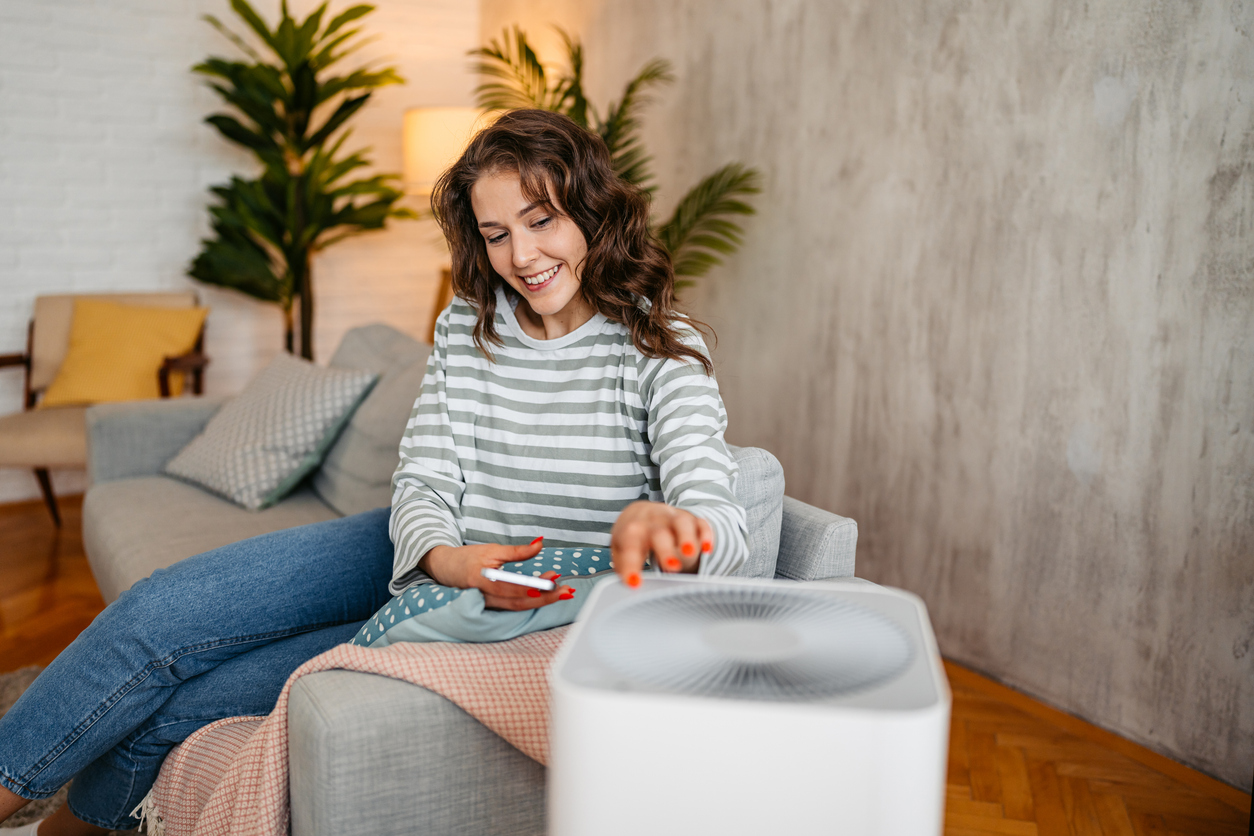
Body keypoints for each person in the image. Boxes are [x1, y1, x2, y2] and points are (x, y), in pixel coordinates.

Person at [0, 108, 747, 836]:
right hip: (422, 554)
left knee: (169, 712)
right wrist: (447, 557)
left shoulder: (658, 349)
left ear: (590, 211)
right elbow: (423, 477)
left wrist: (678, 529)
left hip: (501, 609)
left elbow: (718, 518)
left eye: (542, 219)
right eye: (496, 234)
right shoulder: (469, 324)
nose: (522, 256)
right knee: (156, 612)